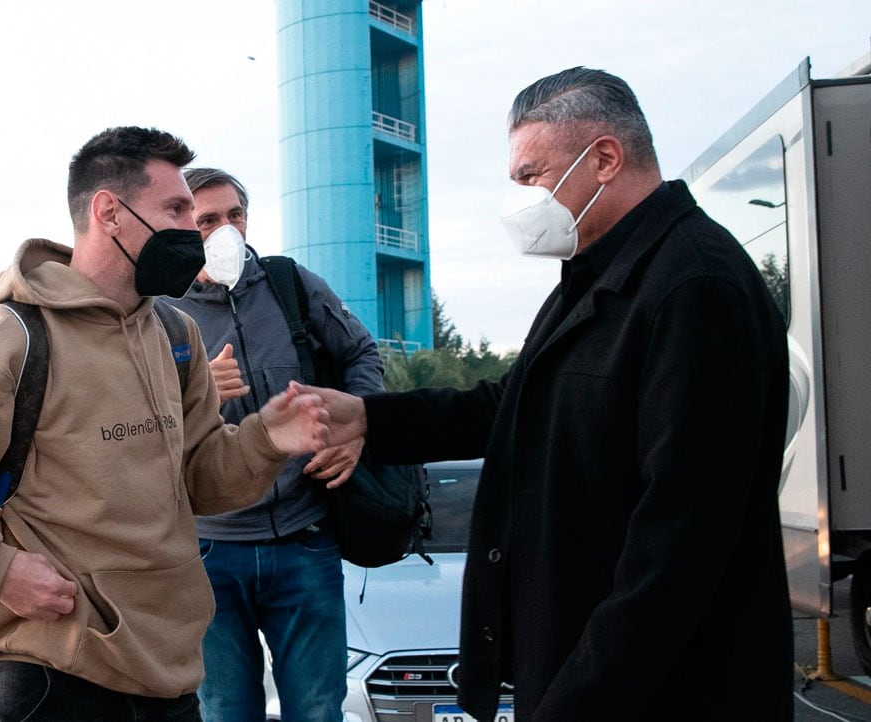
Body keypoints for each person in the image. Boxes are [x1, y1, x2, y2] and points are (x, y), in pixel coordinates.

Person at [303, 67, 793, 721]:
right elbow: (510, 403)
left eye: (530, 176)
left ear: (605, 159)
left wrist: (576, 703)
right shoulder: (596, 279)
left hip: (666, 693)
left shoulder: (694, 288)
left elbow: (678, 546)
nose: (521, 200)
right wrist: (368, 418)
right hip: (587, 671)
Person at [0, 127, 330, 722]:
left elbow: (204, 482)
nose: (197, 230)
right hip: (49, 678)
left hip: (169, 674)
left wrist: (265, 440)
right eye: (177, 209)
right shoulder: (6, 339)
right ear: (110, 212)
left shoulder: (175, 335)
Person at [160, 168, 385, 722]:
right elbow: (130, 425)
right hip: (210, 548)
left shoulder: (293, 285)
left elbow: (363, 356)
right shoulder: (160, 313)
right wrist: (196, 395)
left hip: (304, 539)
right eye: (207, 219)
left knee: (316, 708)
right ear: (183, 226)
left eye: (234, 215)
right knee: (225, 710)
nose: (225, 230)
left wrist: (355, 426)